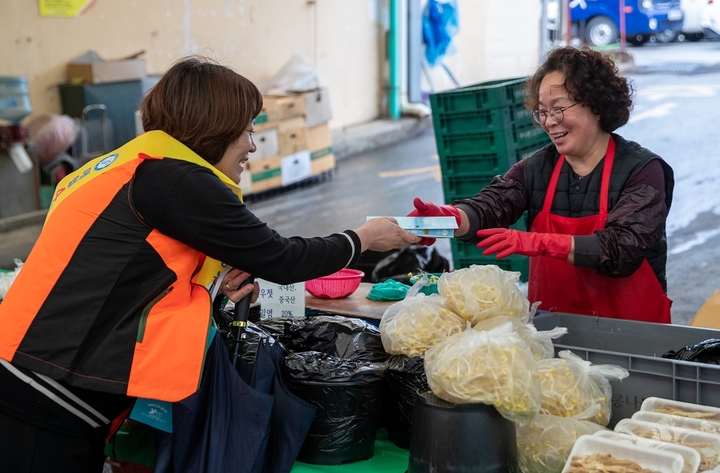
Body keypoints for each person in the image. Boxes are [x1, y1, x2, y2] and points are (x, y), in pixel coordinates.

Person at [0, 56, 420, 472]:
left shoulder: (127, 167)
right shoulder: (176, 179)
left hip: (32, 375)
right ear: (215, 127)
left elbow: (124, 272)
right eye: (248, 130)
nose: (252, 146)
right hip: (46, 392)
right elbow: (282, 258)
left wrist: (213, 290)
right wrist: (364, 238)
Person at [409, 46, 674, 323]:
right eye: (542, 112)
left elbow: (621, 250)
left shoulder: (643, 170)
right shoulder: (537, 168)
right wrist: (442, 220)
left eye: (558, 109)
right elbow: (489, 209)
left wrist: (539, 242)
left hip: (634, 338)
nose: (549, 122)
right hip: (552, 337)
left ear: (596, 105)